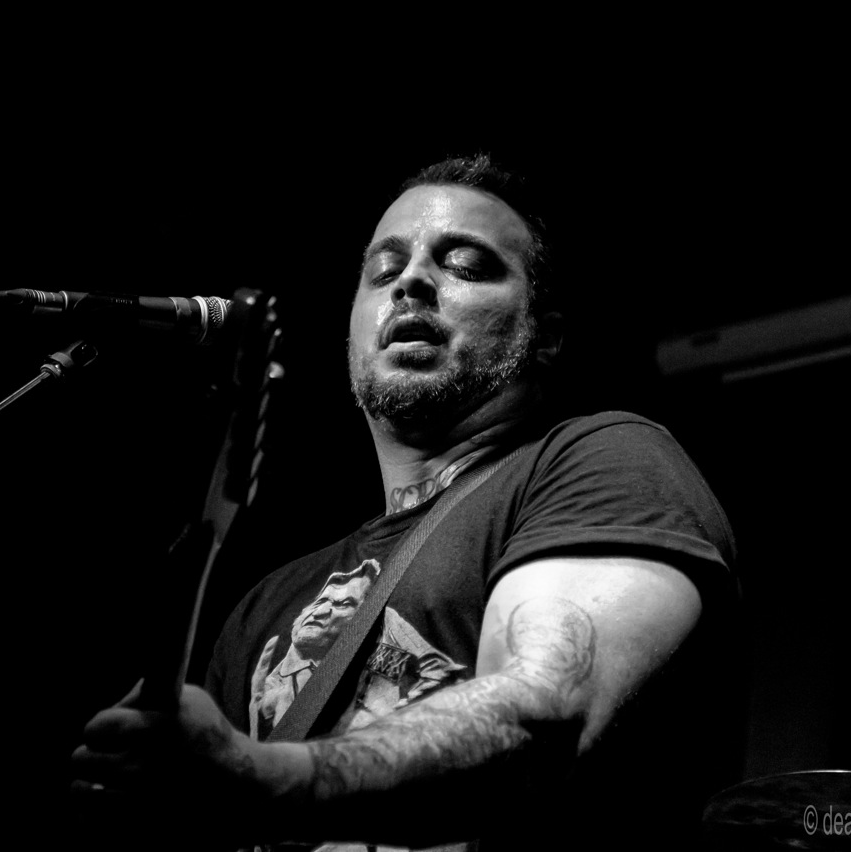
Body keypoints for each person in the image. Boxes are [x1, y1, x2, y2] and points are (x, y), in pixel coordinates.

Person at [71, 153, 740, 851]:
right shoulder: (264, 607)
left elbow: (544, 712)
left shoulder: (600, 461)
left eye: (466, 266)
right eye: (383, 269)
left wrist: (261, 777)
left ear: (545, 335)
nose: (411, 281)